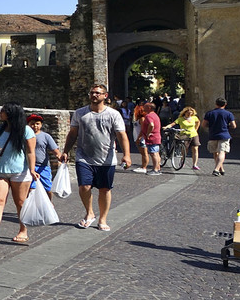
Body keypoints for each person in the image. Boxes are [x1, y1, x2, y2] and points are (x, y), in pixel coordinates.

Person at [62, 84, 131, 232]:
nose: (94, 95)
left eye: (98, 93)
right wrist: (65, 151)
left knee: (104, 189)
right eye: (92, 93)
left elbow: (121, 135)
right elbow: (73, 133)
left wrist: (126, 155)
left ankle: (103, 219)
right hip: (84, 157)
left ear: (105, 96)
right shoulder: (80, 113)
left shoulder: (113, 114)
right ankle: (89, 213)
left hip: (106, 158)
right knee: (84, 186)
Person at [0, 102, 37, 245]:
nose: (0, 112)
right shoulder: (0, 129)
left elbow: (31, 152)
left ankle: (23, 230)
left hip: (20, 171)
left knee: (20, 203)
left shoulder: (26, 131)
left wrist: (32, 170)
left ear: (11, 113)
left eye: (3, 111)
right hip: (1, 170)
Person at [203, 97, 236, 176]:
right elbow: (234, 125)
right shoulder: (228, 114)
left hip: (213, 134)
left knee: (215, 152)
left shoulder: (209, 113)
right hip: (224, 135)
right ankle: (217, 169)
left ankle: (220, 168)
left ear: (216, 104)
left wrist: (211, 125)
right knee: (222, 152)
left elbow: (204, 125)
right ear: (225, 104)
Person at [28, 114, 60, 190]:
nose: (35, 126)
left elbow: (54, 149)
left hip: (43, 166)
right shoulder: (25, 136)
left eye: (37, 124)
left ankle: (48, 202)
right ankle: (31, 202)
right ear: (28, 125)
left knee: (47, 188)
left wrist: (59, 156)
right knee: (30, 188)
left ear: (41, 125)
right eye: (32, 124)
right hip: (28, 166)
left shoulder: (46, 136)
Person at [166, 106, 201, 172]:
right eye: (188, 113)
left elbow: (198, 122)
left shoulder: (194, 118)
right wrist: (167, 127)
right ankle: (182, 161)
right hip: (184, 135)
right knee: (185, 149)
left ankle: (194, 164)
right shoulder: (180, 119)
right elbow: (173, 123)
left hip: (194, 134)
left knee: (195, 148)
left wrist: (196, 129)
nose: (189, 115)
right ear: (184, 113)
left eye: (191, 113)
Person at [137, 103, 163, 174]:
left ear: (149, 107)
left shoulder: (149, 116)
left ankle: (155, 169)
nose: (143, 108)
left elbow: (151, 125)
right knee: (156, 153)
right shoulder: (155, 115)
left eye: (145, 107)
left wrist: (148, 133)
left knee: (153, 153)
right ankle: (158, 168)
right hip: (157, 136)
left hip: (152, 137)